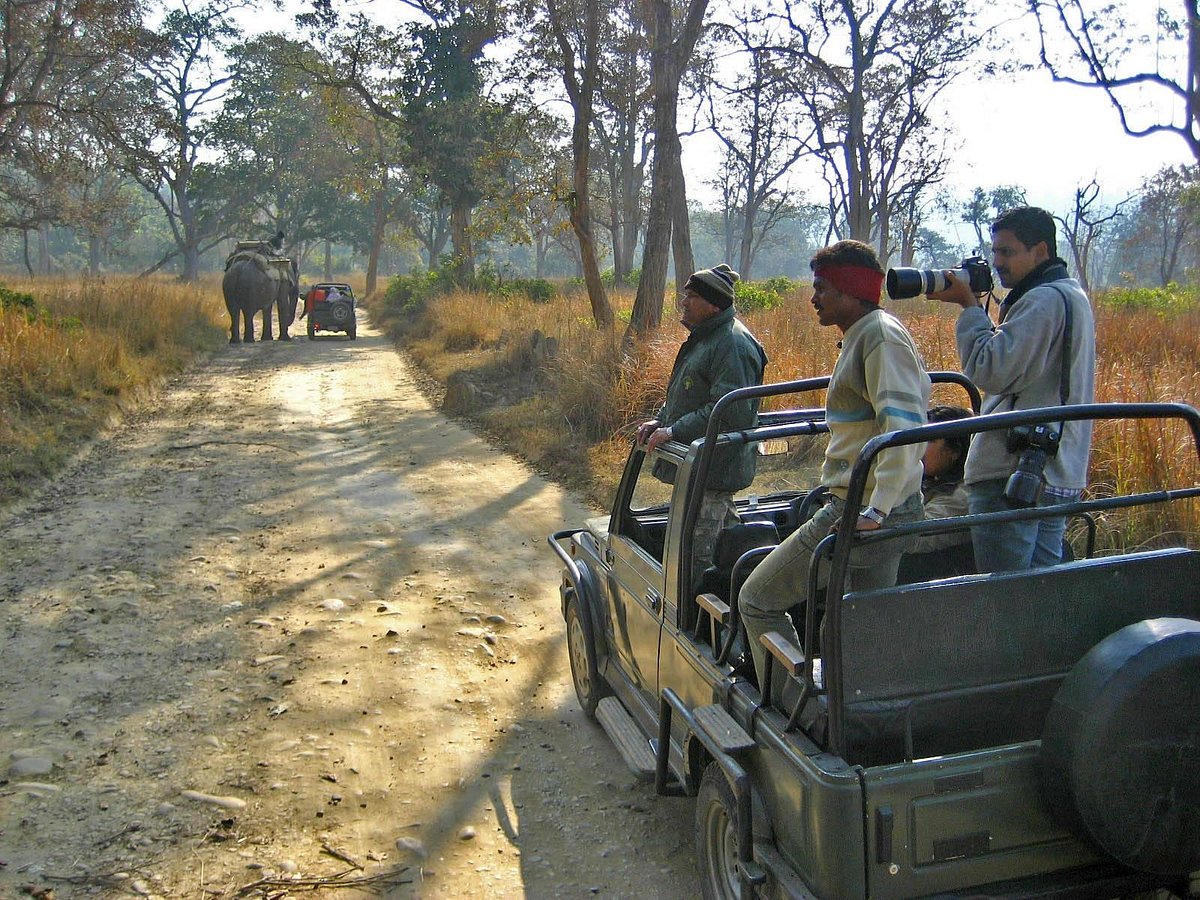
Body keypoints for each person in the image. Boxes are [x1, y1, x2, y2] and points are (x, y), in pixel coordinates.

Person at [739, 240, 930, 689]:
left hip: (861, 509)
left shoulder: (879, 337)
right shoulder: (865, 335)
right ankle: (855, 713)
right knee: (855, 626)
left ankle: (790, 712)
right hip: (879, 505)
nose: (813, 298)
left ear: (849, 291)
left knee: (757, 600)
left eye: (821, 288)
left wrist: (877, 509)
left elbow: (900, 428)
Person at [930, 206, 1095, 572]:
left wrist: (969, 307)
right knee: (1040, 592)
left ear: (1039, 251)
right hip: (1054, 471)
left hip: (1014, 474)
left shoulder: (1043, 300)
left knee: (1004, 595)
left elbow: (990, 369)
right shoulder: (1071, 296)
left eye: (1007, 252)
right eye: (995, 252)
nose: (997, 262)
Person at [635, 264, 768, 596]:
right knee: (720, 545)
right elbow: (687, 394)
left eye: (691, 297)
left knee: (697, 561)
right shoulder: (707, 338)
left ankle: (694, 630)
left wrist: (675, 430)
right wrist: (661, 421)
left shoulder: (732, 344)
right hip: (702, 471)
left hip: (715, 470)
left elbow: (729, 412)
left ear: (714, 303)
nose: (684, 303)